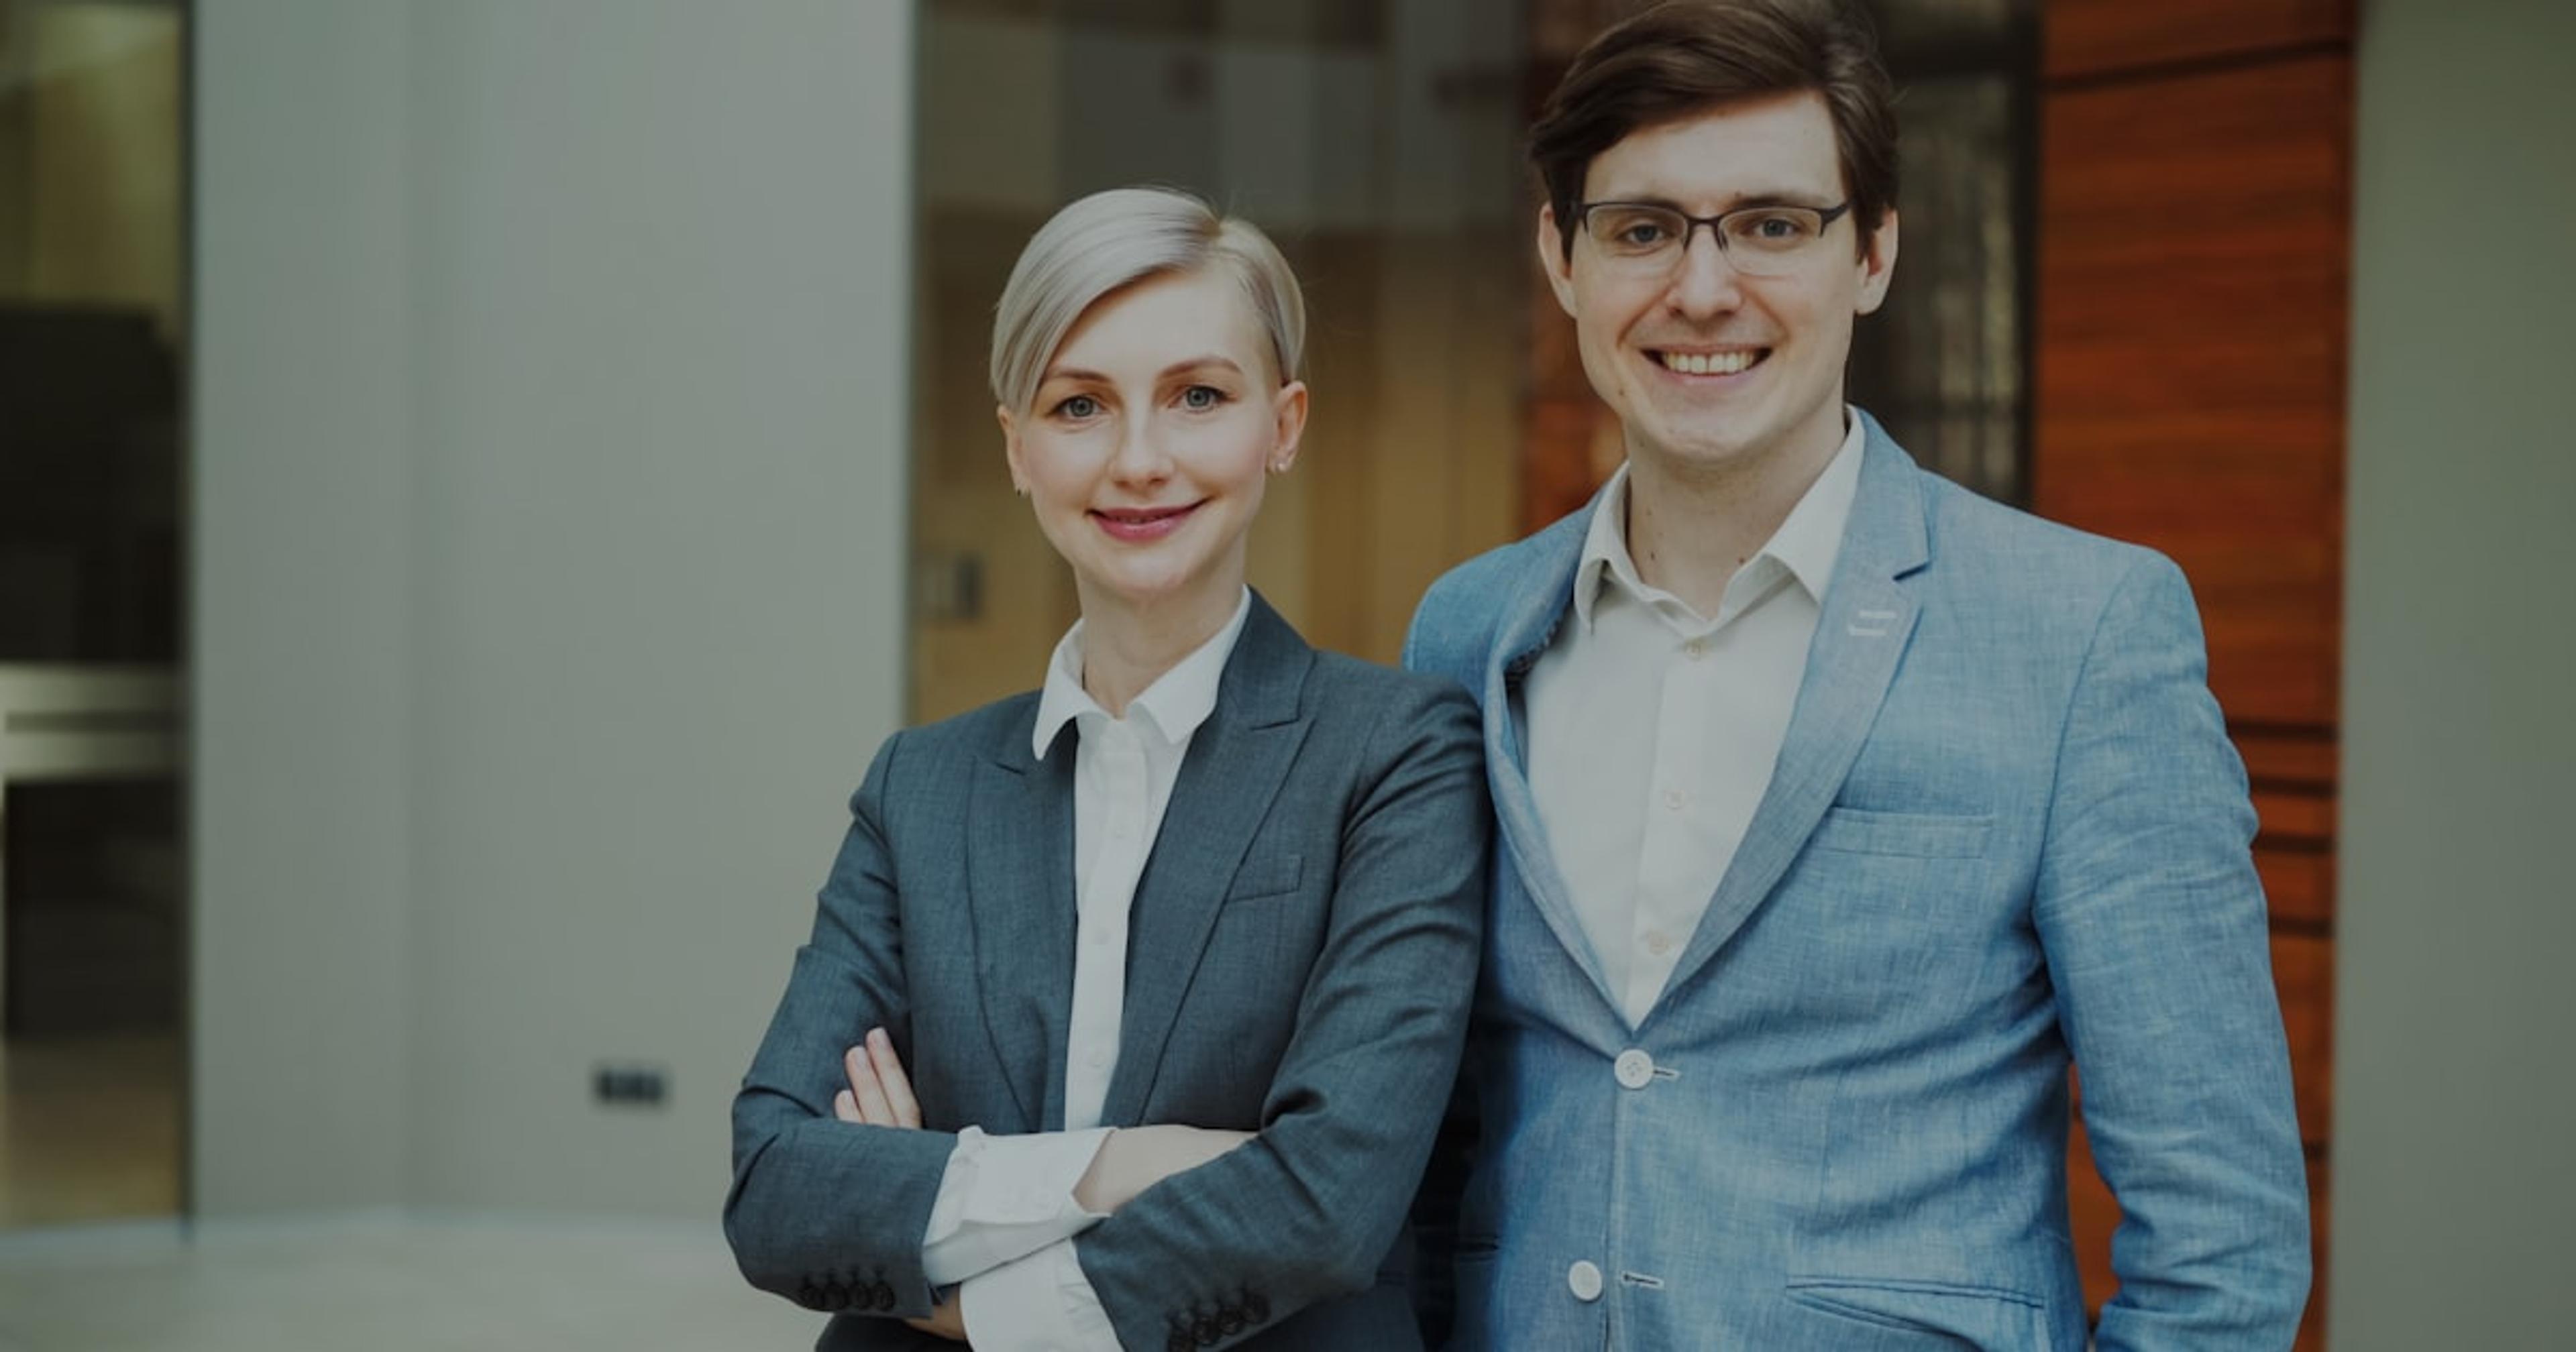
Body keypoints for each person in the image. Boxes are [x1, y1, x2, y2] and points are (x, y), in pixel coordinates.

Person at [1402, 2, 2311, 1347]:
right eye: (1641, 228)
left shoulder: (2085, 632)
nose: (1701, 290)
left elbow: (2222, 1250)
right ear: (1562, 258)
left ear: (1874, 251)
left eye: (1772, 225)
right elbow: (1432, 1138)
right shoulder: (1467, 633)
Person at [724, 186, 1487, 1352]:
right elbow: (777, 1187)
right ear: (1018, 446)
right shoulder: (919, 788)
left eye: (1197, 397)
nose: (1140, 459)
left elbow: (1326, 1204)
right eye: (1080, 404)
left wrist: (960, 1270)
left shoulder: (1396, 755)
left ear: (1282, 426)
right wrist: (1126, 1168)